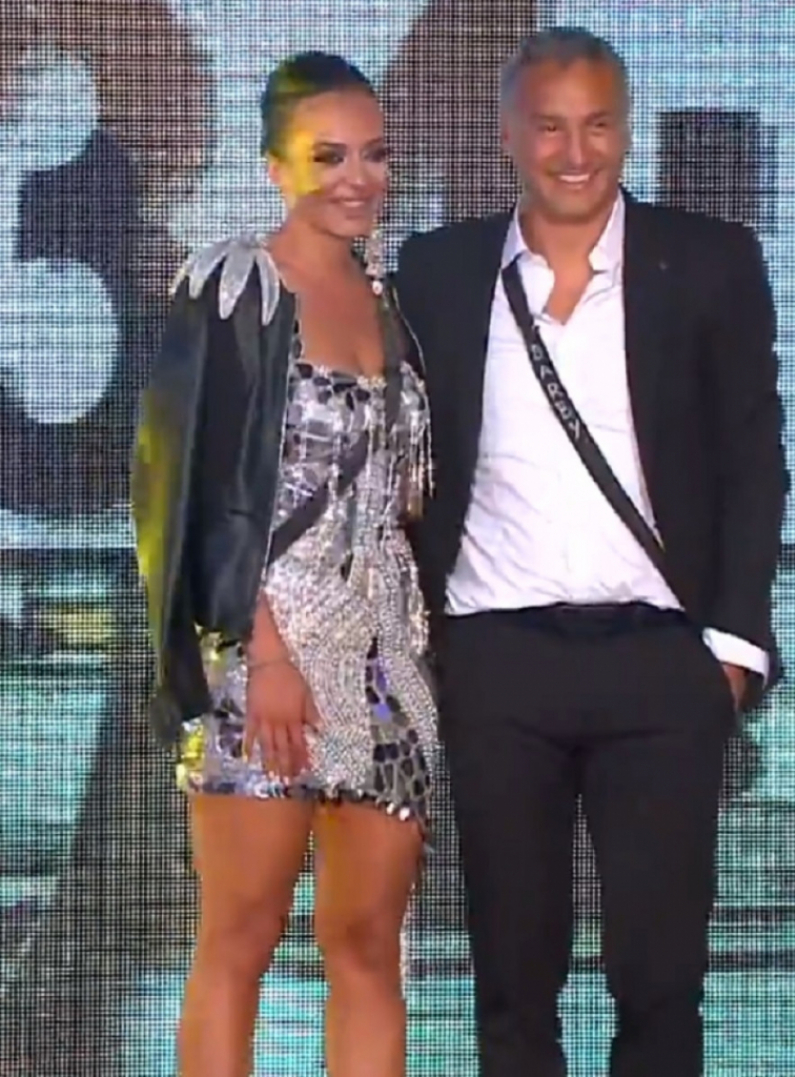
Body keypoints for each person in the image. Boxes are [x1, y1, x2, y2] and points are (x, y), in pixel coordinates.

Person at [394, 26, 788, 1077]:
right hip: (496, 661)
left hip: (663, 662)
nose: (577, 153)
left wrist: (731, 650)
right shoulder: (436, 271)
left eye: (598, 125)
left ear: (627, 130)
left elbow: (754, 460)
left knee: (661, 978)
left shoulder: (707, 262)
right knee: (511, 979)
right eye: (551, 127)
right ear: (507, 135)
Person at [131, 51, 436, 1077]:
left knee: (369, 948)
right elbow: (185, 489)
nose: (358, 178)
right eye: (327, 155)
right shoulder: (233, 290)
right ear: (275, 167)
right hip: (264, 652)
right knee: (242, 936)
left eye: (375, 155)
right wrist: (262, 652)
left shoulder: (397, 304)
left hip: (388, 665)